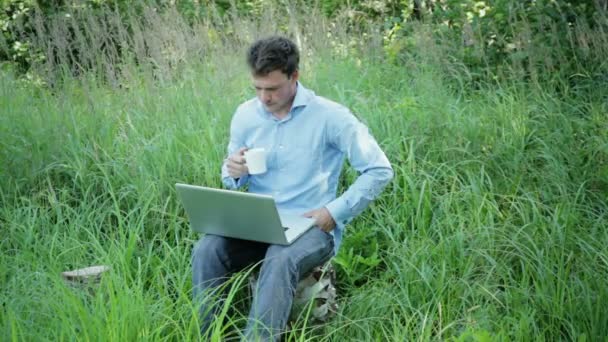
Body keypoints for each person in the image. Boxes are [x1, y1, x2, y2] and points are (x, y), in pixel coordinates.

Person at [192, 36, 393, 341]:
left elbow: (379, 170)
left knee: (281, 258)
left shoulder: (330, 116)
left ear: (294, 76)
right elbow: (231, 173)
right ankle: (208, 336)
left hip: (312, 225)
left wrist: (334, 212)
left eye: (272, 89)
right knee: (207, 249)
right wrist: (234, 171)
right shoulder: (246, 115)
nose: (264, 98)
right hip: (258, 223)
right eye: (257, 88)